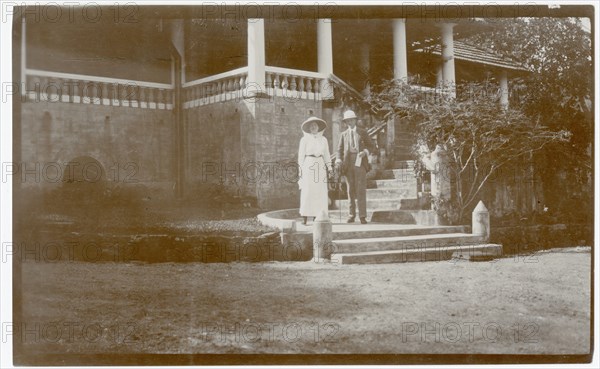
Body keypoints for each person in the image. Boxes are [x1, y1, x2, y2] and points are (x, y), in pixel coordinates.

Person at [335, 110, 375, 224]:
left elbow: (372, 146)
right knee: (350, 190)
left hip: (360, 162)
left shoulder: (362, 132)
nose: (350, 122)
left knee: (361, 189)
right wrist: (338, 161)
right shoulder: (343, 135)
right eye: (347, 121)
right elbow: (339, 150)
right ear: (345, 122)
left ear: (355, 120)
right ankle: (351, 215)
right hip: (348, 164)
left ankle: (362, 216)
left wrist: (365, 152)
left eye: (352, 120)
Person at [298, 117, 331, 225]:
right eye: (311, 126)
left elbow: (327, 155)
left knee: (320, 191)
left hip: (320, 165)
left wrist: (329, 168)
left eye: (315, 126)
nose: (313, 128)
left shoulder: (324, 140)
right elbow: (301, 156)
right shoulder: (304, 140)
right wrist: (300, 170)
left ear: (318, 128)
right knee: (308, 190)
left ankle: (319, 216)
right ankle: (305, 217)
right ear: (308, 128)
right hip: (308, 165)